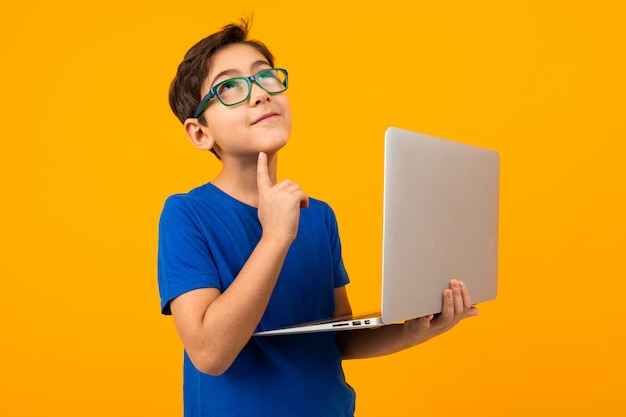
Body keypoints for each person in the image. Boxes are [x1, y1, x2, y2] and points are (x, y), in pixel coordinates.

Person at [158, 17, 478, 417]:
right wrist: (275, 236)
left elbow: (338, 338)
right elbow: (209, 353)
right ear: (200, 133)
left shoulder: (318, 216)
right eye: (230, 87)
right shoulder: (186, 215)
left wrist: (411, 331)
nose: (259, 95)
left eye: (266, 78)